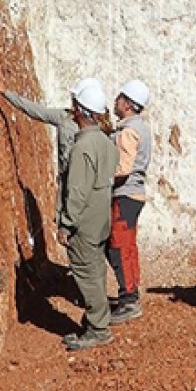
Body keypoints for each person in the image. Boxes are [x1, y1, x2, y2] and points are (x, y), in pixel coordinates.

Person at [58, 83, 120, 351]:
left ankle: (98, 329)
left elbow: (77, 191)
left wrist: (66, 224)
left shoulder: (82, 147)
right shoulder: (106, 143)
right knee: (95, 271)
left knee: (85, 272)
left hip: (83, 222)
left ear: (80, 111)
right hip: (100, 218)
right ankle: (98, 321)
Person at [0, 78, 103, 185]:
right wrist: (7, 93)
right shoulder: (65, 116)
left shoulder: (97, 131)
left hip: (79, 184)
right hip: (68, 181)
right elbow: (37, 111)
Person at [108, 80, 152, 325]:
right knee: (128, 246)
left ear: (126, 104)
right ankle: (131, 293)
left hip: (124, 194)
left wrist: (101, 179)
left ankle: (128, 301)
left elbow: (123, 168)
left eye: (118, 98)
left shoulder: (128, 132)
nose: (115, 101)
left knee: (119, 246)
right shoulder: (141, 128)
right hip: (135, 195)